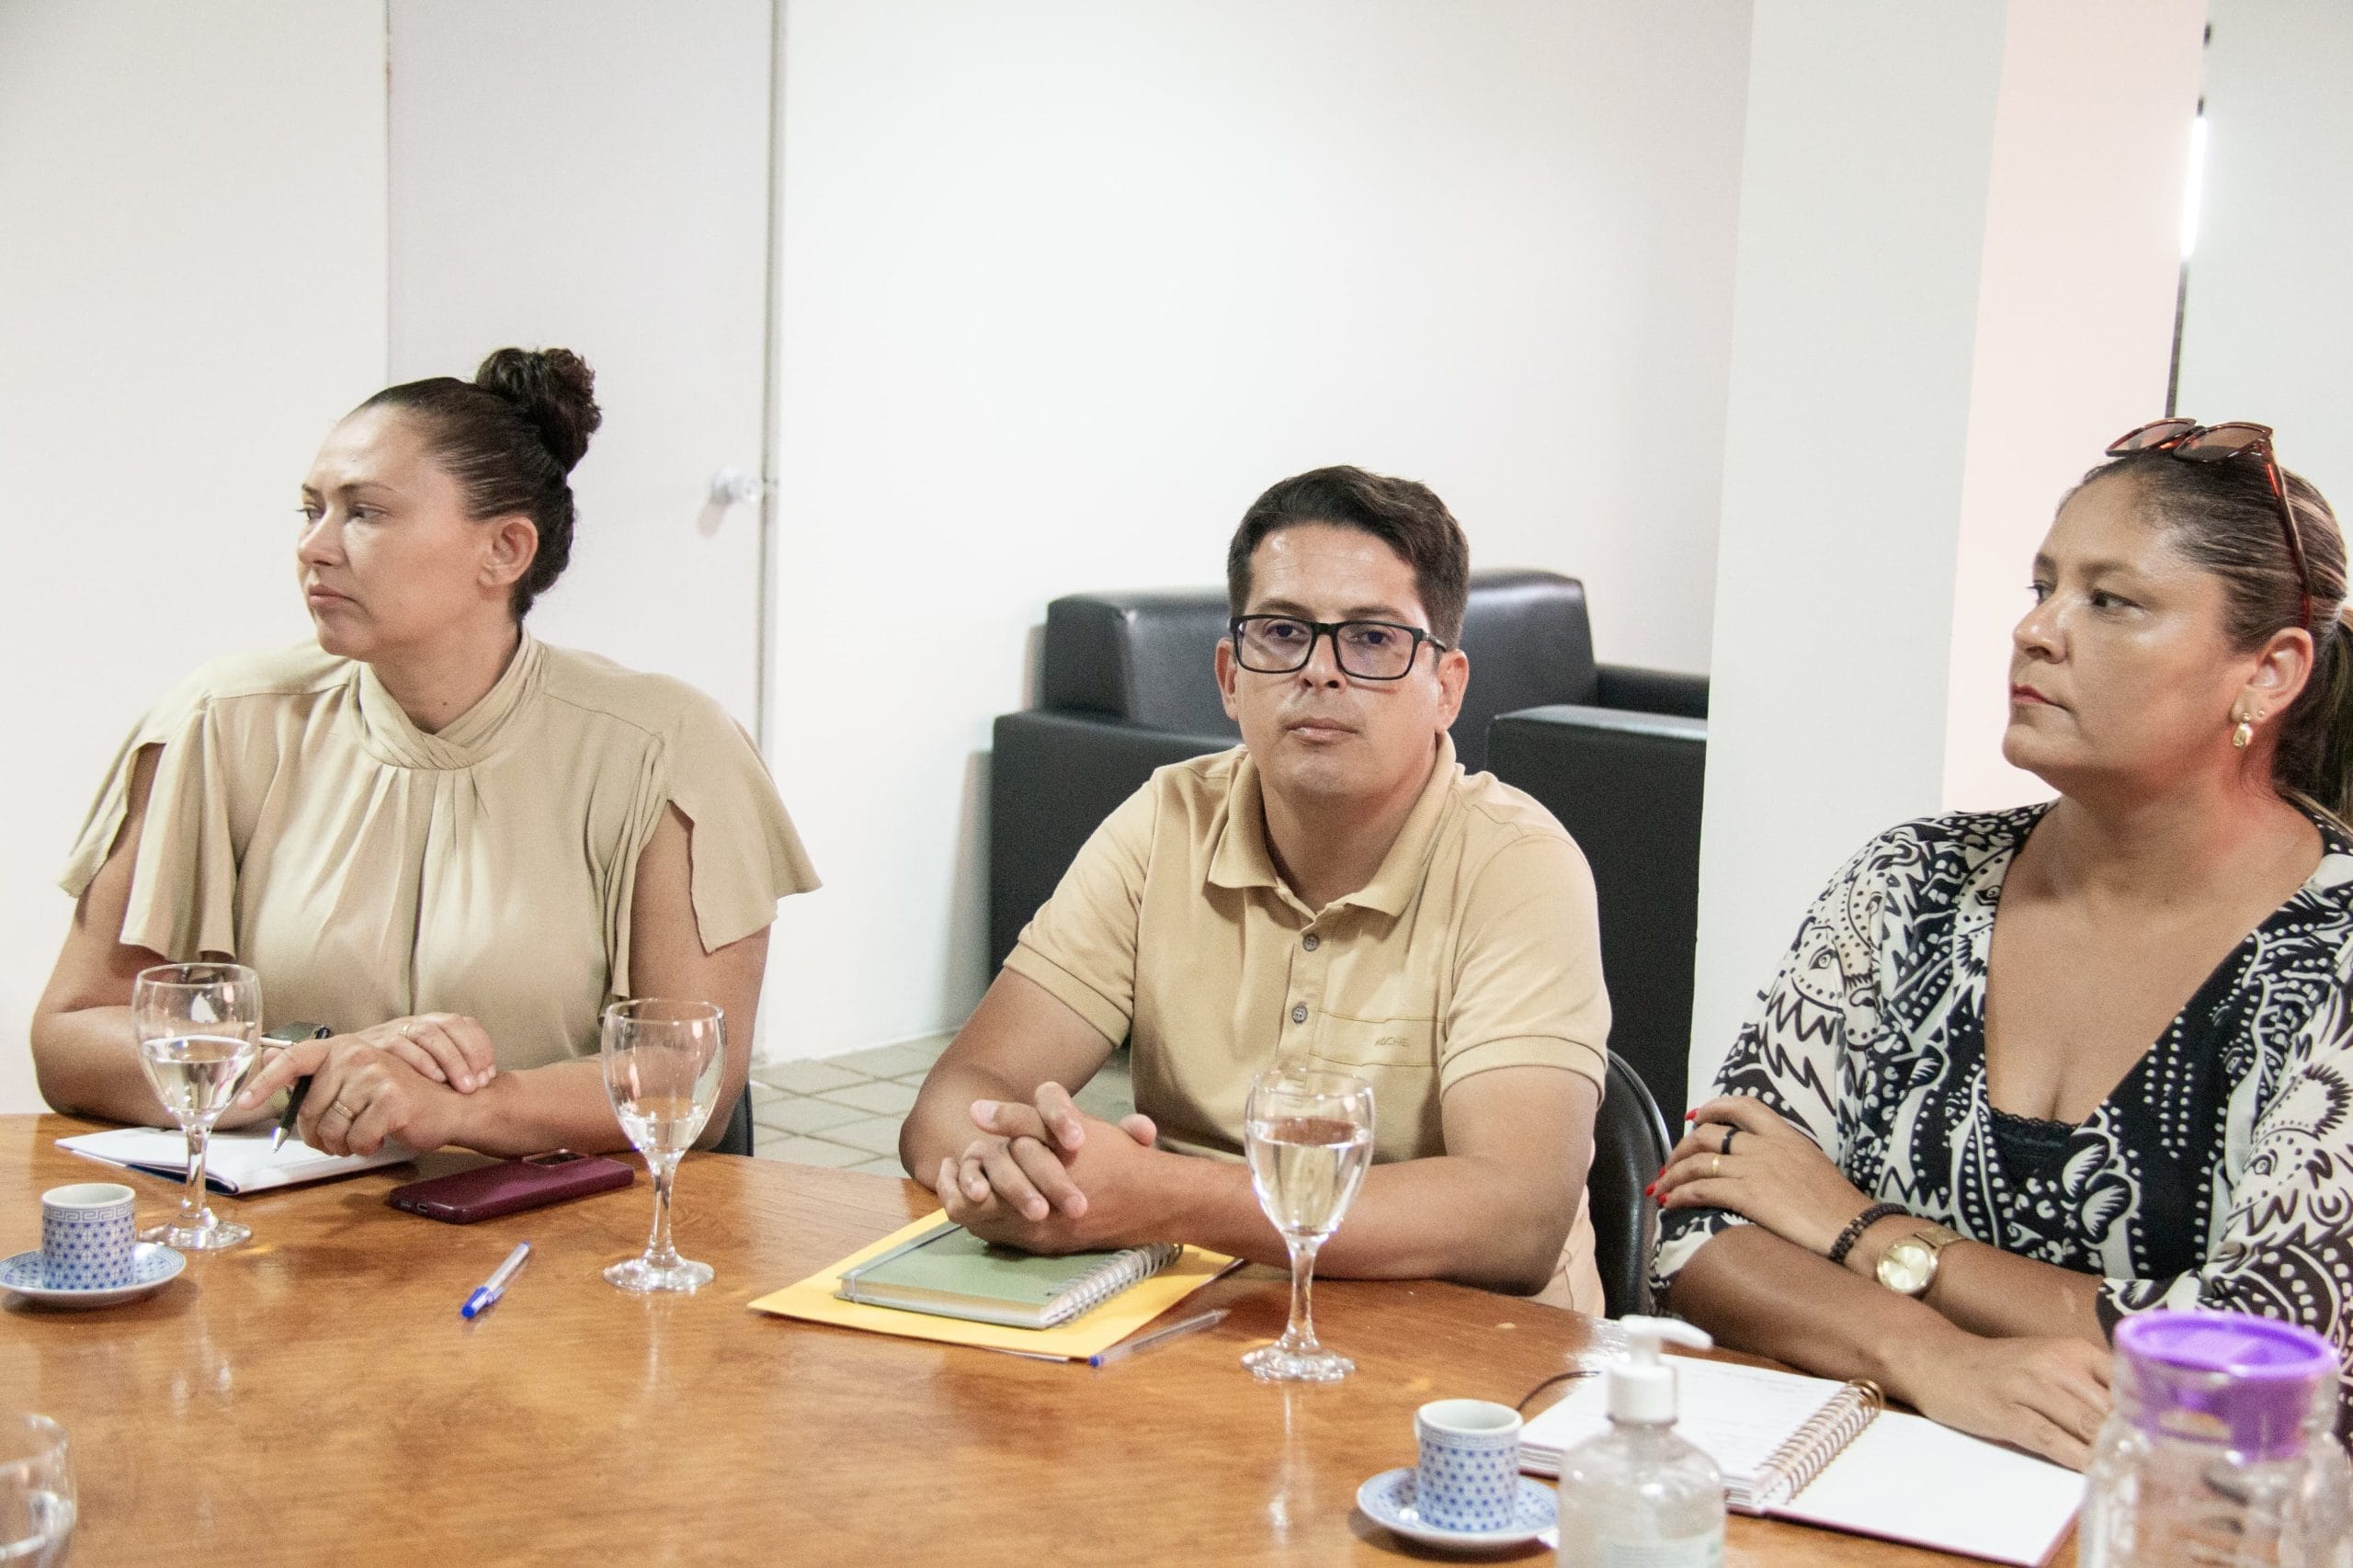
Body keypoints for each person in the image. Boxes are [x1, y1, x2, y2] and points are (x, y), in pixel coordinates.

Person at [1652, 419, 2353, 1464]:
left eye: (2110, 601)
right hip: (1847, 1480)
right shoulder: (1908, 882)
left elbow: (2259, 1355)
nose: (2035, 631)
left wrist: (1861, 1230)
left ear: (2267, 672)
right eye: (2042, 587)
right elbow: (1700, 1224)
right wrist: (1931, 1358)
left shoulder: (2333, 957)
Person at [32, 347, 817, 1157]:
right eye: (311, 511)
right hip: (290, 1221)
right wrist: (305, 1070)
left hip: (564, 1218)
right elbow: (70, 1036)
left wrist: (462, 1110)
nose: (314, 547)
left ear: (504, 550)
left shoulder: (669, 749)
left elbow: (690, 1079)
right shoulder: (218, 723)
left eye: (365, 513)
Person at [902, 466, 1610, 1304]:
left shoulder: (1517, 864)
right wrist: (1011, 1169)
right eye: (1281, 632)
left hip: (1472, 1348)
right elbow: (954, 1099)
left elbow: (1516, 1218)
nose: (1321, 672)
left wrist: (1160, 1197)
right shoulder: (1169, 819)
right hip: (1205, 1319)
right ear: (1231, 677)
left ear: (1446, 688)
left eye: (1372, 640)